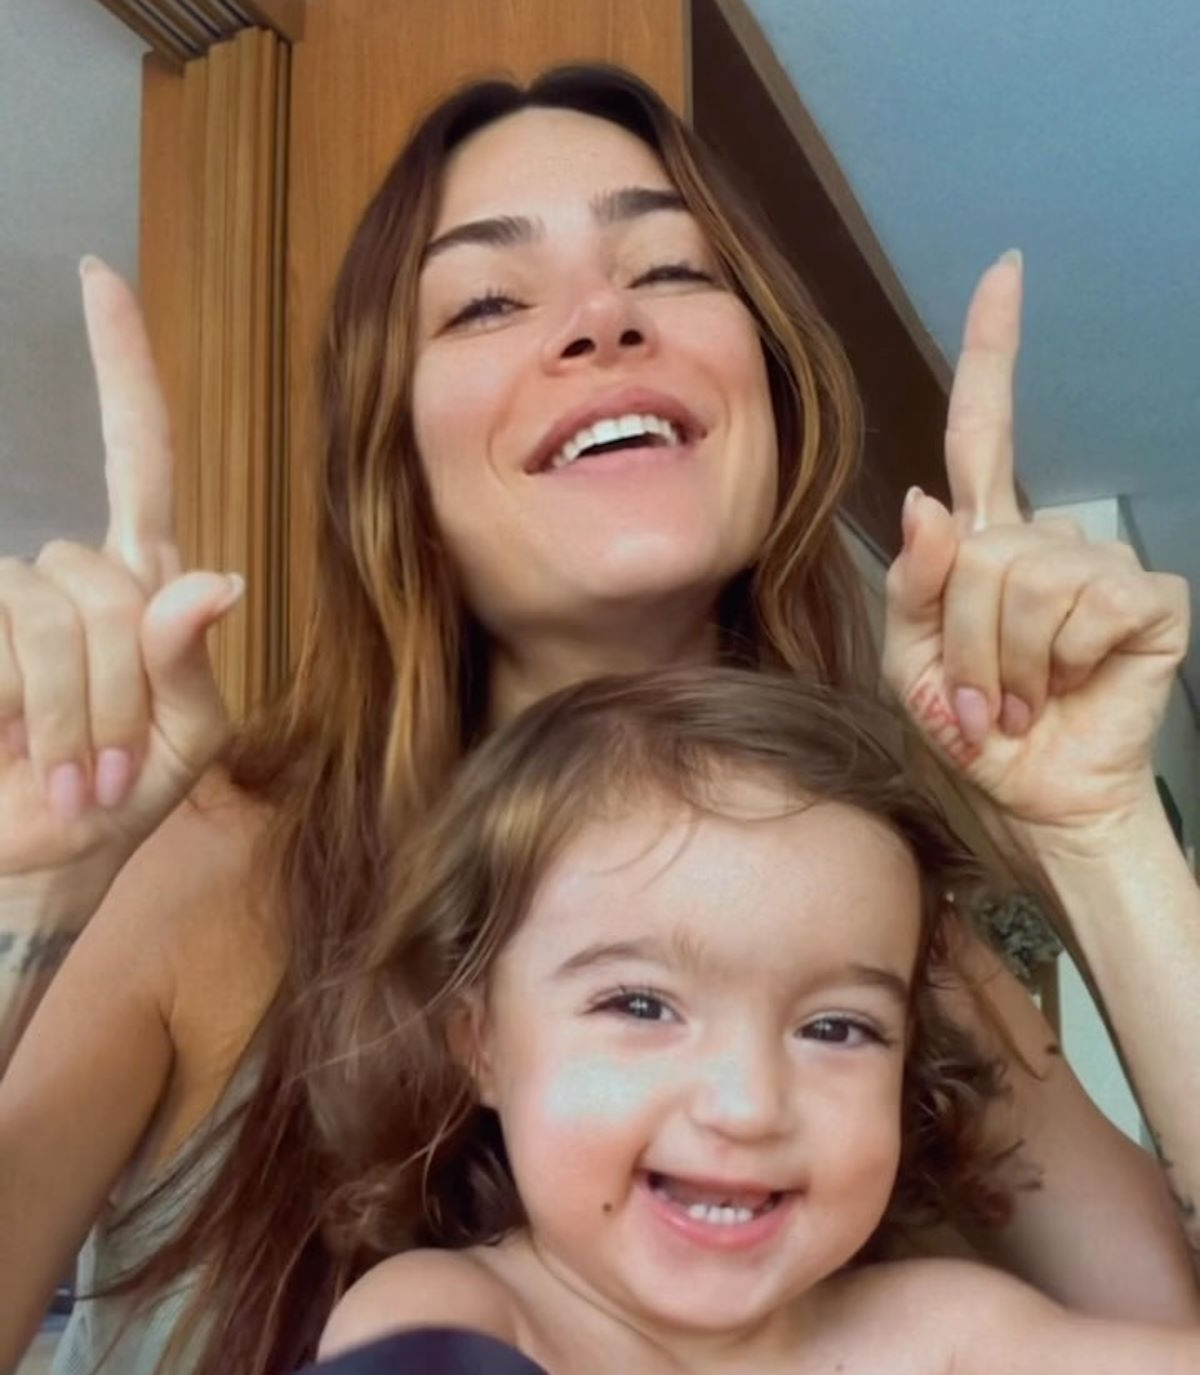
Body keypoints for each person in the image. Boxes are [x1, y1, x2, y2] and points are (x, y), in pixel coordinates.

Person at [0, 63, 1195, 1375]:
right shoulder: (221, 856)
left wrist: (1101, 827)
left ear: (770, 388)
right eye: (488, 300)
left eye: (672, 271)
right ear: (394, 453)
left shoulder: (877, 918)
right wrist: (34, 892)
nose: (602, 320)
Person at [306, 667, 1200, 1375]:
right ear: (482, 1045)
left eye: (836, 1028)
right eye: (640, 1004)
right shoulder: (449, 1313)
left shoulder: (949, 1333)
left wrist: (1110, 820)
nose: (749, 1105)